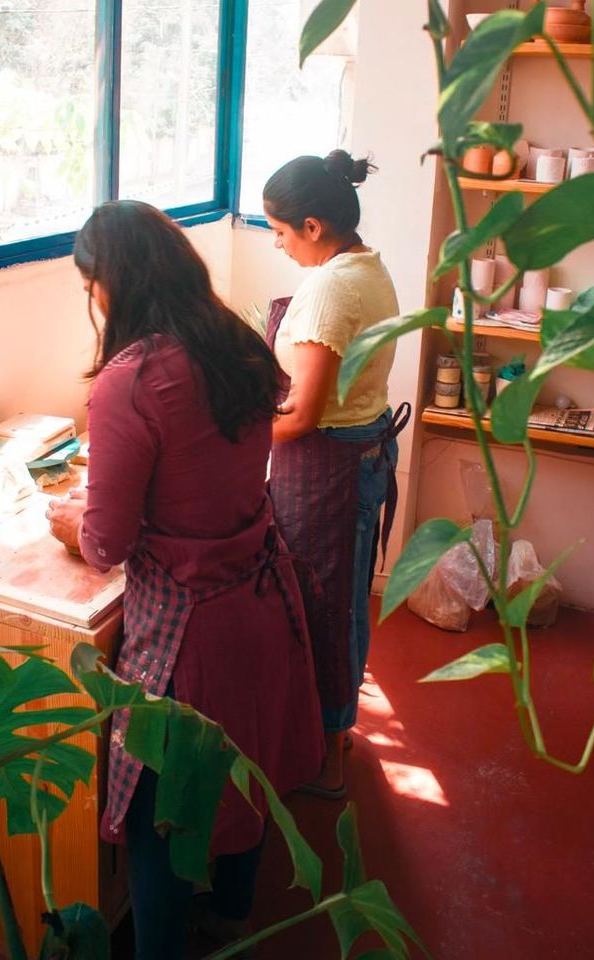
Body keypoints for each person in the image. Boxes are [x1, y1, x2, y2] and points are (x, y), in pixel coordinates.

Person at [46, 200, 324, 960]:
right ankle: (231, 908)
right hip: (262, 602)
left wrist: (68, 520)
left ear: (111, 283)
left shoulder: (130, 381)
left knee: (159, 807)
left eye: (90, 285)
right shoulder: (235, 341)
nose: (94, 300)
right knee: (245, 770)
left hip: (190, 632)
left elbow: (107, 542)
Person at [262, 150, 409, 798]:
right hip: (358, 452)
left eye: (282, 231)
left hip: (331, 465)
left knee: (329, 611)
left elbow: (299, 418)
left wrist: (222, 435)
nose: (279, 244)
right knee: (342, 606)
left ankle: (329, 755)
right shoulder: (365, 265)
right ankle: (332, 733)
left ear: (313, 227)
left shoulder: (328, 290)